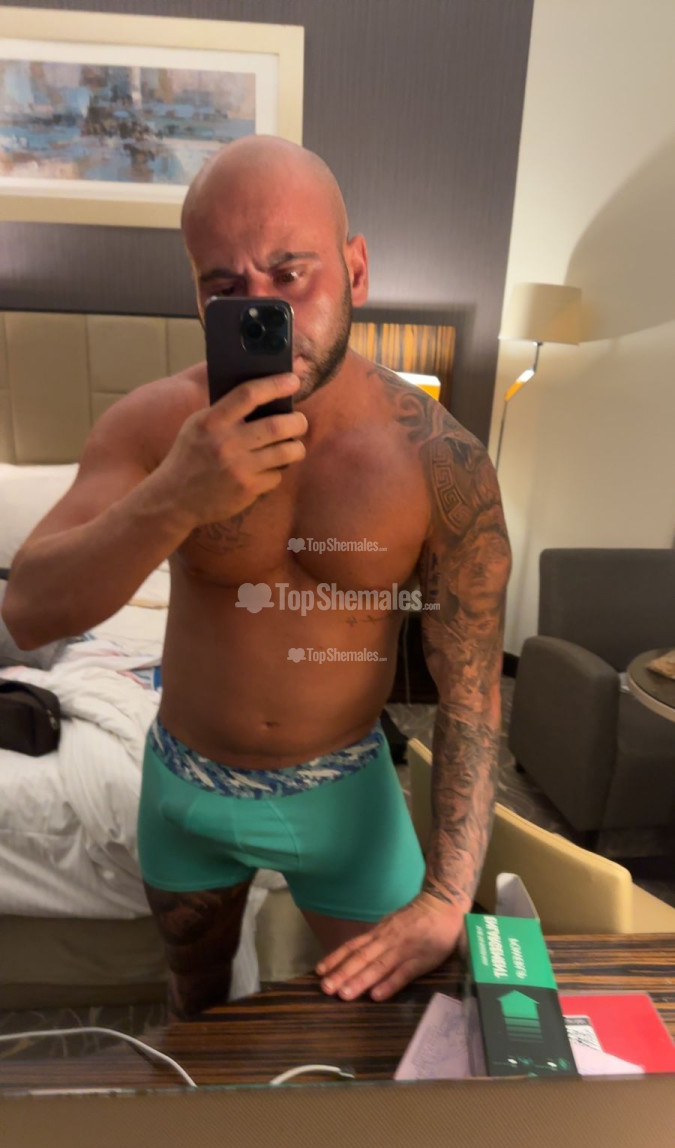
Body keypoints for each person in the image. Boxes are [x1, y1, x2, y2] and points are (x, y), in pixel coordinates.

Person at [2, 135, 511, 1019]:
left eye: (289, 272)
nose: (259, 305)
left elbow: (472, 694)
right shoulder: (155, 426)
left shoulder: (440, 462)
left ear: (355, 270)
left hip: (345, 799)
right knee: (196, 1006)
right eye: (223, 286)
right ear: (196, 297)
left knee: (387, 1030)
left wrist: (446, 895)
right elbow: (28, 610)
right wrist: (174, 496)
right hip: (184, 790)